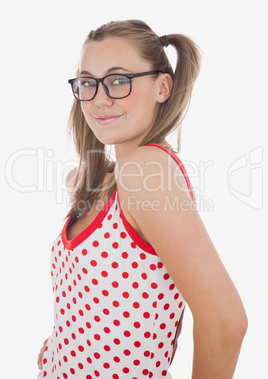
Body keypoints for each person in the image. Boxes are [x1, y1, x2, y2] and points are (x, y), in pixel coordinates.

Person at [37, 19, 247, 378]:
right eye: (88, 82)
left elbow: (226, 323)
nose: (99, 99)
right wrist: (61, 345)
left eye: (119, 80)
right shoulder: (117, 178)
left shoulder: (145, 172)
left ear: (163, 87)